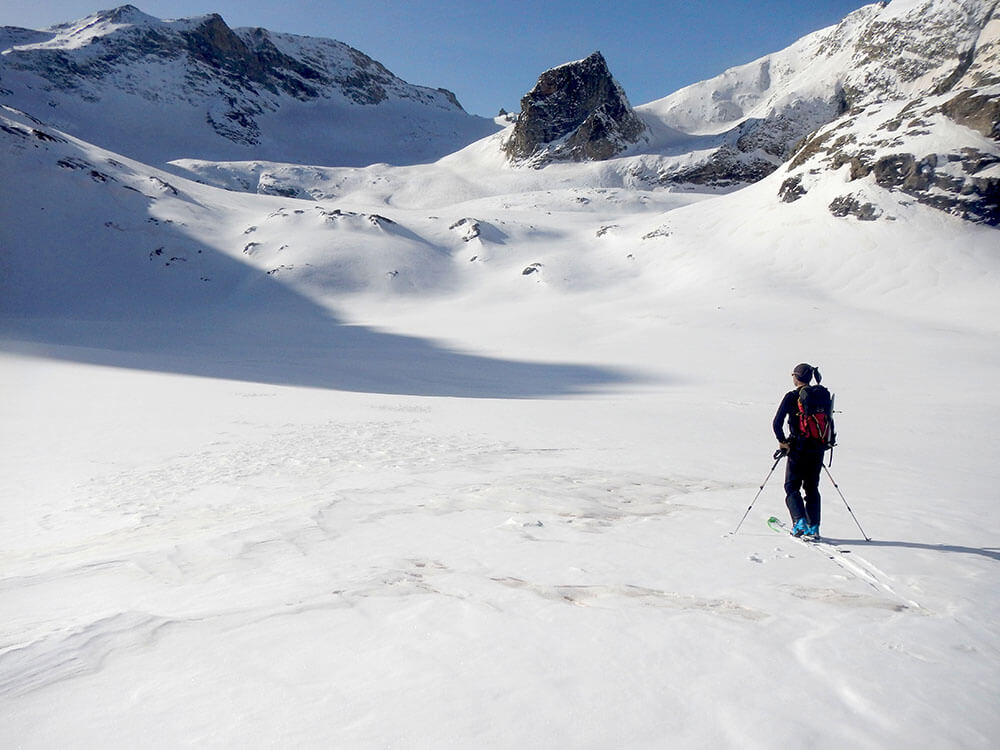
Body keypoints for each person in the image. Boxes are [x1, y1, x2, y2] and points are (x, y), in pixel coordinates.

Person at [772, 363, 829, 537]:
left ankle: (799, 522)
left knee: (792, 487)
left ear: (796, 377)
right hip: (818, 447)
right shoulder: (822, 395)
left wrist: (783, 442)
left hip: (798, 448)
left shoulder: (792, 396)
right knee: (812, 488)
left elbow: (777, 423)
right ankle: (814, 527)